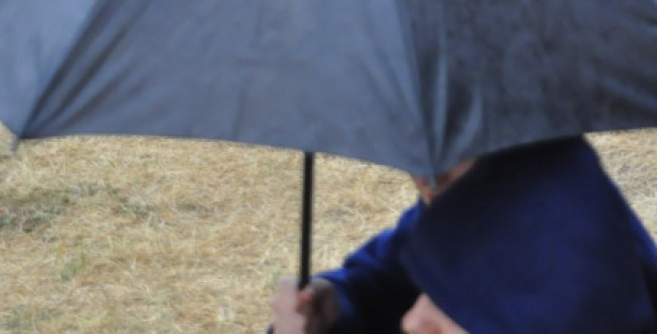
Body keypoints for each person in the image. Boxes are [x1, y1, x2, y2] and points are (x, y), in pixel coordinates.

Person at [269, 137, 657, 334]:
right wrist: (336, 304)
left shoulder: (573, 249)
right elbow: (386, 276)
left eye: (444, 174)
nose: (423, 184)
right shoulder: (450, 214)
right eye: (418, 165)